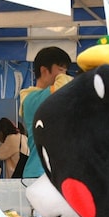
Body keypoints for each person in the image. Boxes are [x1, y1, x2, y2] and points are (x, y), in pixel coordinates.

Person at [19, 47, 72, 179]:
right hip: (39, 173)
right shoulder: (30, 99)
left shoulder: (54, 97)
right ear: (44, 70)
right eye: (61, 70)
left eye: (66, 71)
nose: (64, 74)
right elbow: (64, 86)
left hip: (53, 172)